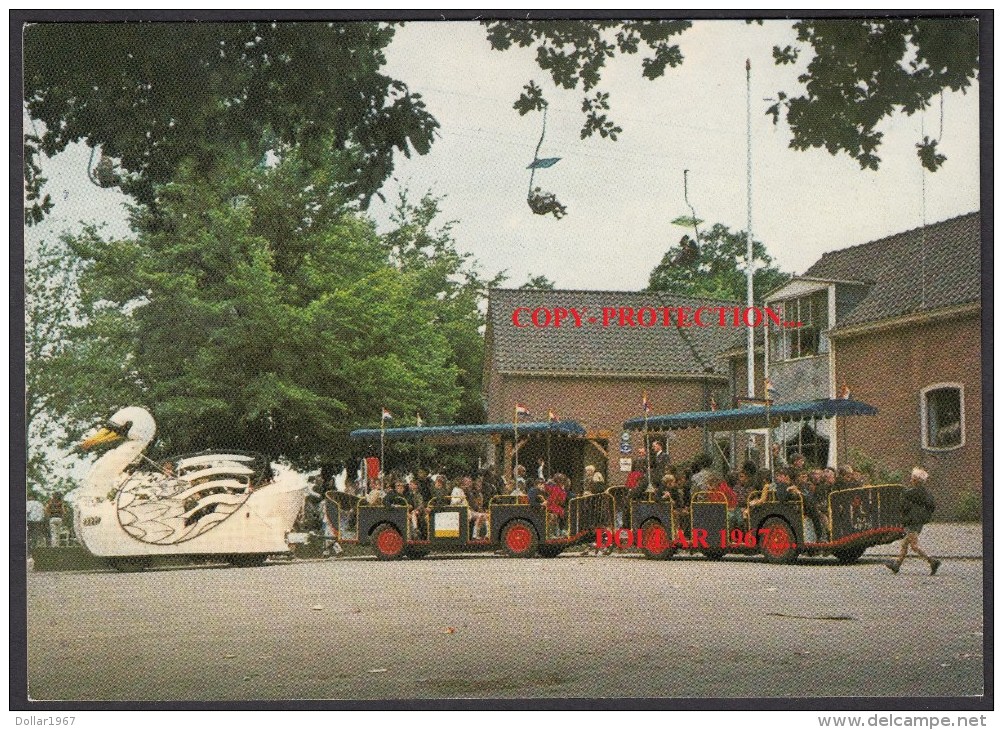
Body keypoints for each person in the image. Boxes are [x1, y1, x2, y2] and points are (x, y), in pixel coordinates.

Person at [888, 468, 940, 575]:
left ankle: (932, 561)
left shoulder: (910, 493)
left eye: (912, 478)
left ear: (916, 480)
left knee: (914, 546)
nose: (910, 480)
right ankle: (896, 565)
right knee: (904, 544)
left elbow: (903, 505)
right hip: (918, 521)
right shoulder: (926, 493)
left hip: (912, 521)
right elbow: (932, 506)